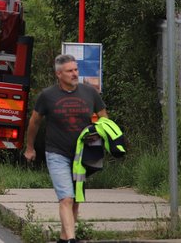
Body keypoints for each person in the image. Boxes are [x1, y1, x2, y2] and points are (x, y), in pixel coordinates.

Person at [24, 54, 108, 243]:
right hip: (57, 153)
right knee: (66, 198)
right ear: (59, 74)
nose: (75, 74)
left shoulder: (90, 93)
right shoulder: (47, 96)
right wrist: (30, 147)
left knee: (76, 200)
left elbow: (104, 118)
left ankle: (63, 238)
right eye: (70, 71)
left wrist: (98, 132)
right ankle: (71, 239)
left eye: (76, 69)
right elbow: (34, 122)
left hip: (82, 155)